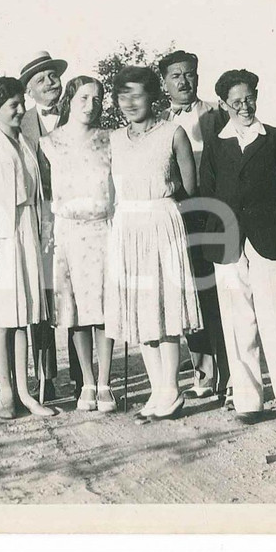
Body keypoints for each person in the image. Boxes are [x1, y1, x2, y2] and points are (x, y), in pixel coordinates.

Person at [200, 69, 276, 430]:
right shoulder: (216, 144)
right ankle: (248, 402)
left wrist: (271, 219)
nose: (244, 106)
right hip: (227, 243)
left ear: (256, 96)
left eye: (249, 98)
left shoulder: (275, 138)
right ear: (223, 104)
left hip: (267, 240)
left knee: (274, 321)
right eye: (236, 101)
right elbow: (206, 192)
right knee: (238, 322)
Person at [104, 66, 202, 423]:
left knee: (165, 306)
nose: (130, 102)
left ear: (152, 96)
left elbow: (190, 187)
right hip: (127, 227)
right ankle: (159, 390)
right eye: (123, 95)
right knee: (139, 310)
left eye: (137, 94)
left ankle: (171, 389)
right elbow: (109, 190)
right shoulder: (113, 139)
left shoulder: (173, 133)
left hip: (161, 222)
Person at [0, 77, 57, 419]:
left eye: (22, 103)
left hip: (27, 234)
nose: (21, 110)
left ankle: (24, 393)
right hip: (0, 240)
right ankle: (6, 394)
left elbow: (38, 195)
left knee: (24, 319)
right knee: (1, 321)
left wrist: (43, 233)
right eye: (13, 105)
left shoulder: (26, 143)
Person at [39, 76, 116, 413]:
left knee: (105, 308)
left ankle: (105, 382)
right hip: (67, 232)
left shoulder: (110, 139)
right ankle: (86, 381)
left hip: (103, 229)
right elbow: (44, 195)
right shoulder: (49, 143)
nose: (91, 105)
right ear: (69, 100)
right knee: (76, 311)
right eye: (84, 98)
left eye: (97, 99)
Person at [158, 50, 231, 404]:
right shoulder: (159, 123)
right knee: (188, 294)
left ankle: (229, 375)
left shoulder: (216, 115)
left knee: (217, 293)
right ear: (164, 83)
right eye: (175, 75)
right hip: (176, 215)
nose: (183, 81)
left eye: (189, 74)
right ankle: (203, 372)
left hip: (212, 212)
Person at [18, 50, 82, 402]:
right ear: (29, 90)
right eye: (40, 79)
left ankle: (82, 377)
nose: (50, 83)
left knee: (78, 295)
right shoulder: (21, 123)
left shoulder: (79, 111)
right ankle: (46, 379)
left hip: (77, 217)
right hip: (39, 220)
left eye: (53, 76)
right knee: (41, 298)